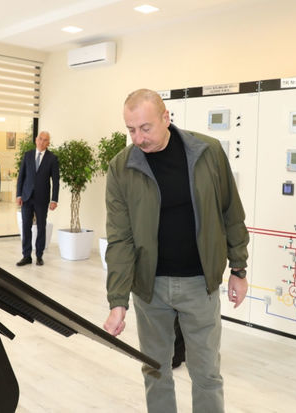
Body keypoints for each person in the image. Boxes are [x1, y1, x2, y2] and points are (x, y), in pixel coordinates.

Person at [103, 89, 249, 413]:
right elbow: (120, 239)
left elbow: (231, 213)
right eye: (131, 130)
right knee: (155, 370)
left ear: (166, 118)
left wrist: (239, 269)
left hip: (200, 284)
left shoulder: (207, 152)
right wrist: (118, 301)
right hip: (149, 288)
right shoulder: (121, 168)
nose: (138, 138)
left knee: (206, 373)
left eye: (145, 128)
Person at [15, 131, 60, 266]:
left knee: (41, 227)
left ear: (48, 143)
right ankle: (26, 256)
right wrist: (19, 195)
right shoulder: (28, 155)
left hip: (42, 198)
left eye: (45, 140)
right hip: (27, 197)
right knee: (26, 227)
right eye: (40, 139)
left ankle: (39, 256)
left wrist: (54, 199)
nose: (42, 142)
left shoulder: (52, 158)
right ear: (36, 140)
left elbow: (56, 181)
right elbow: (21, 176)